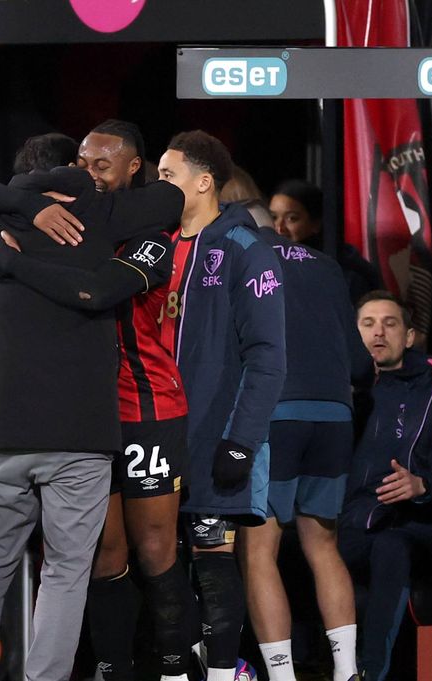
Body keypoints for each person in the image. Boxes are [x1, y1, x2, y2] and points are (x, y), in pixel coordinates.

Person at [0, 147, 184, 681]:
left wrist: (18, 226)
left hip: (3, 430)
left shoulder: (1, 222)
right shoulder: (106, 215)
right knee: (66, 570)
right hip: (77, 434)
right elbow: (171, 196)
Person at [156, 130, 285, 681]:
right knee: (160, 564)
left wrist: (240, 439)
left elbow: (269, 356)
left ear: (204, 182)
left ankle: (226, 671)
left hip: (216, 435)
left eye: (168, 175)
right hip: (156, 430)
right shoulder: (152, 247)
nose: (157, 184)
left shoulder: (245, 247)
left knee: (212, 561)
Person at [239, 229, 374, 681]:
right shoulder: (325, 264)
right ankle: (346, 670)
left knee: (260, 549)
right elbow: (359, 363)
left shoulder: (233, 254)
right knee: (323, 545)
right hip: (335, 414)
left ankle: (282, 676)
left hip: (275, 412)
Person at [339, 291, 432, 681]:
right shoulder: (334, 388)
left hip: (412, 527)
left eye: (390, 323)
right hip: (346, 525)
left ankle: (370, 673)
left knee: (391, 546)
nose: (378, 332)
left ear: (409, 336)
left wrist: (421, 484)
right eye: (367, 324)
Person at [269, 180, 382, 305]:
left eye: (291, 218)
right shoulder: (265, 265)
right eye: (273, 217)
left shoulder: (346, 276)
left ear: (316, 223)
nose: (279, 228)